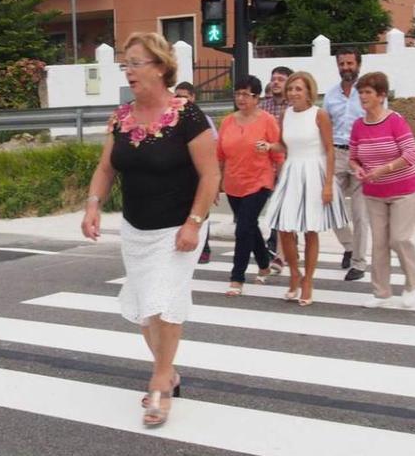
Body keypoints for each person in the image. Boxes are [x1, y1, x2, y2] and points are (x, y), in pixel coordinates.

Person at [81, 32, 220, 426]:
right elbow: (106, 168)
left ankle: (160, 382)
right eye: (125, 64)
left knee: (164, 299)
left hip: (179, 226)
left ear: (160, 68)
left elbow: (210, 175)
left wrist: (194, 223)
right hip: (135, 228)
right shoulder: (121, 118)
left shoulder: (187, 117)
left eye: (136, 63)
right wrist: (93, 205)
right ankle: (169, 369)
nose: (128, 71)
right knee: (146, 310)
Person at [264, 71, 348, 306]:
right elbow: (284, 144)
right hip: (291, 171)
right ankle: (294, 273)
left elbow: (330, 150)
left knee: (311, 230)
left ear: (309, 91)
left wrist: (329, 184)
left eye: (298, 89)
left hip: (315, 172)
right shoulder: (286, 114)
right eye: (290, 89)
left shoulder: (319, 115)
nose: (292, 93)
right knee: (284, 227)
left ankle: (308, 280)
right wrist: (269, 146)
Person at [349, 72, 415, 309]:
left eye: (368, 92)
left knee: (399, 238)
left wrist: (385, 168)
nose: (363, 97)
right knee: (379, 242)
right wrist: (357, 169)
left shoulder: (395, 121)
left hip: (402, 189)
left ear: (381, 96)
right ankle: (381, 292)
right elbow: (353, 157)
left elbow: (412, 154)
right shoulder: (358, 125)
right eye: (360, 92)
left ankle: (412, 284)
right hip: (374, 192)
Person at [217, 75, 285, 296]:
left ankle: (237, 278)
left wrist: (279, 177)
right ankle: (264, 263)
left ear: (257, 97)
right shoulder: (228, 121)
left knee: (243, 228)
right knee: (250, 226)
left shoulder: (267, 121)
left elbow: (279, 150)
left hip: (260, 181)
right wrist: (216, 182)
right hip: (233, 182)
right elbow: (220, 155)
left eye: (247, 94)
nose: (241, 98)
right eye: (238, 93)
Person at [323, 48, 369, 281]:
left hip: (363, 157)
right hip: (337, 154)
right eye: (342, 64)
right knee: (330, 206)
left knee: (360, 214)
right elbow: (324, 127)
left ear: (358, 64)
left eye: (350, 63)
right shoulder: (330, 96)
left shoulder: (368, 93)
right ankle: (349, 246)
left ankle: (359, 263)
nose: (346, 68)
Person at [175, 81, 217, 264]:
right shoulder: (171, 118)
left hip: (199, 173)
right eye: (177, 96)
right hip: (182, 175)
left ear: (193, 97)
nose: (181, 99)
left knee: (202, 211)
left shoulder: (201, 119)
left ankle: (204, 247)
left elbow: (213, 146)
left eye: (184, 96)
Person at [258, 65, 294, 274]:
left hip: (291, 164)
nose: (276, 82)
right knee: (275, 209)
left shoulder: (294, 107)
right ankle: (281, 249)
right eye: (274, 79)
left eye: (281, 79)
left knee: (284, 209)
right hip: (268, 165)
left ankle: (280, 252)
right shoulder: (265, 107)